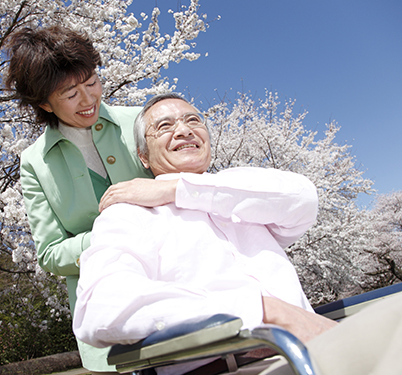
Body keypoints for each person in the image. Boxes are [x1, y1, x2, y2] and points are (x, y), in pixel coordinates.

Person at [73, 93, 336, 353]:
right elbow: (101, 308)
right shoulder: (130, 214)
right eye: (164, 126)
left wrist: (177, 189)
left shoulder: (241, 189)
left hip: (324, 349)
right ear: (143, 156)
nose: (184, 130)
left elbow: (303, 199)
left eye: (194, 121)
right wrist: (262, 311)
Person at [5, 26, 171, 374]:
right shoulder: (34, 162)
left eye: (91, 82)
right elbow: (50, 254)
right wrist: (111, 236)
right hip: (107, 315)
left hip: (176, 290)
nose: (88, 99)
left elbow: (191, 188)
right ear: (43, 103)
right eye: (70, 92)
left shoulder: (143, 120)